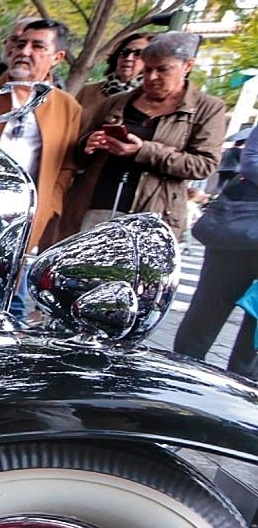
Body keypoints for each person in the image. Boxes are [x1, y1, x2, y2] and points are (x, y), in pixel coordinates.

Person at [65, 32, 227, 238]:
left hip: (152, 216)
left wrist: (143, 150)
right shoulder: (116, 102)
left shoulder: (207, 108)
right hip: (94, 207)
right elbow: (76, 152)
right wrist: (87, 144)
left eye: (163, 69)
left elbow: (204, 164)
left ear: (188, 66)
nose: (151, 77)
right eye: (148, 69)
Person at [0, 18, 82, 251]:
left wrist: (50, 207)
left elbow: (66, 167)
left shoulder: (67, 107)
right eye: (21, 44)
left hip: (25, 217)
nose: (24, 51)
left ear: (57, 57)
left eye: (37, 46)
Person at [173, 129, 258, 379]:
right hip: (237, 233)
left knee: (254, 336)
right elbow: (251, 162)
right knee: (207, 311)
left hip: (239, 228)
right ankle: (181, 376)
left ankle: (242, 392)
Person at [75, 33, 152, 119]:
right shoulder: (88, 91)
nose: (128, 58)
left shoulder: (149, 97)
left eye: (138, 53)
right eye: (124, 52)